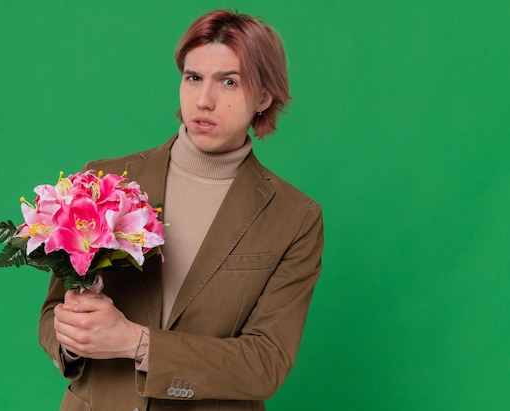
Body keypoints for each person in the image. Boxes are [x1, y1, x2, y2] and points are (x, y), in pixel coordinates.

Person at [39, 9, 324, 411]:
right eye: (193, 78)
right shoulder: (103, 180)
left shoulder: (295, 217)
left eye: (229, 81)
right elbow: (54, 311)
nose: (204, 100)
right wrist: (71, 338)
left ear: (264, 96)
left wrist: (135, 343)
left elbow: (266, 363)